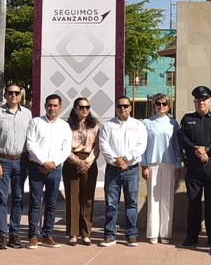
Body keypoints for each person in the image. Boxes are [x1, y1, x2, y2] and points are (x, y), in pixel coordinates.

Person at [177, 86, 211, 247]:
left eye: (204, 100)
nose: (201, 102)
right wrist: (196, 150)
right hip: (194, 167)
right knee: (193, 202)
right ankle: (191, 236)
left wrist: (206, 149)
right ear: (194, 102)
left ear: (209, 102)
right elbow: (181, 137)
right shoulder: (187, 119)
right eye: (198, 100)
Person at [0, 82, 32, 249]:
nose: (13, 96)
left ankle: (15, 234)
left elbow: (30, 139)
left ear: (21, 96)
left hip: (21, 161)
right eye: (10, 93)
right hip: (3, 161)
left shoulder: (27, 114)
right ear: (5, 95)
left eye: (16, 93)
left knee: (18, 198)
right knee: (2, 198)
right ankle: (3, 235)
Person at [25, 94, 72, 248]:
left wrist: (53, 162)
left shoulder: (64, 126)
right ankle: (33, 235)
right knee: (35, 202)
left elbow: (66, 149)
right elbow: (30, 144)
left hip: (55, 168)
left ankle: (48, 235)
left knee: (51, 203)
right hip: (37, 167)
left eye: (55, 105)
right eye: (49, 105)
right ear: (45, 106)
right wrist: (43, 162)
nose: (52, 108)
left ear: (60, 107)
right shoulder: (36, 122)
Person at [100, 95, 146, 246]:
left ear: (130, 107)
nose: (122, 108)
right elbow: (103, 145)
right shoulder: (108, 125)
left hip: (131, 170)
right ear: (116, 108)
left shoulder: (138, 125)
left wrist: (126, 159)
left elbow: (141, 145)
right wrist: (116, 160)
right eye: (119, 106)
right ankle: (109, 235)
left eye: (125, 106)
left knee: (131, 203)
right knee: (111, 203)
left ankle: (131, 235)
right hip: (113, 169)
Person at [142, 93, 180, 243]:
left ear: (168, 106)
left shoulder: (173, 123)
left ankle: (165, 233)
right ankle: (152, 233)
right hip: (152, 163)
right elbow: (143, 145)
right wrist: (144, 165)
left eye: (164, 104)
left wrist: (178, 165)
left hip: (169, 163)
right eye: (158, 103)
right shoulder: (146, 123)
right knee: (153, 198)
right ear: (154, 106)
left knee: (167, 199)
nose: (161, 106)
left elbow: (177, 146)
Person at [63, 96, 100, 245]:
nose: (84, 110)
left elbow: (97, 146)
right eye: (81, 107)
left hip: (89, 162)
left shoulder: (95, 125)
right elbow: (63, 146)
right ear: (75, 109)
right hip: (72, 161)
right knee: (73, 198)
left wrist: (88, 161)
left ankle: (86, 233)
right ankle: (73, 233)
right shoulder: (67, 126)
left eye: (87, 107)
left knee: (87, 198)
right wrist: (77, 161)